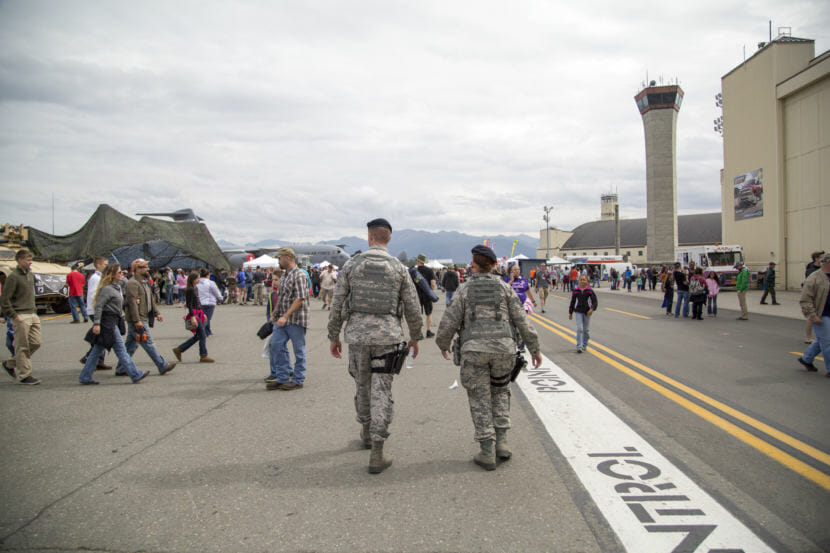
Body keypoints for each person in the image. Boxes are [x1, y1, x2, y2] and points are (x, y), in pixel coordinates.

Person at [328, 218, 423, 474]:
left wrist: (333, 336)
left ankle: (366, 431)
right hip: (388, 338)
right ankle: (378, 450)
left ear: (370, 237)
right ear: (387, 239)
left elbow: (337, 303)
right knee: (381, 388)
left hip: (358, 337)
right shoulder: (399, 268)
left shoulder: (352, 265)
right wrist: (415, 336)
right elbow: (413, 306)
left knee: (362, 384)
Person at [436, 245, 542, 471]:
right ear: (494, 265)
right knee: (501, 391)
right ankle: (502, 443)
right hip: (503, 350)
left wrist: (443, 344)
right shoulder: (505, 289)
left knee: (479, 397)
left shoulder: (464, 290)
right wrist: (534, 349)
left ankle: (487, 451)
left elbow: (449, 321)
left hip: (474, 350)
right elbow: (522, 321)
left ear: (473, 265)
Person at [78, 263, 150, 385]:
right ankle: (134, 374)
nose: (122, 274)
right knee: (120, 350)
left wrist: (128, 302)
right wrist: (96, 323)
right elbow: (99, 306)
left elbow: (117, 302)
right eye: (119, 272)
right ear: (112, 275)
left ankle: (85, 376)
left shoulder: (116, 287)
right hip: (108, 323)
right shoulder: (107, 289)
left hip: (113, 321)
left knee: (97, 351)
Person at [115, 258, 176, 376]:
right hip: (138, 319)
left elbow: (150, 299)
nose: (148, 269)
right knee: (148, 342)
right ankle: (162, 365)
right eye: (144, 267)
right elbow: (132, 303)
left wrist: (156, 313)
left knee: (131, 345)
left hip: (143, 317)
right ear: (136, 269)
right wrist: (137, 320)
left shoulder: (144, 282)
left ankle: (121, 368)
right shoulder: (132, 283)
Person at [266, 248, 309, 390]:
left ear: (288, 258)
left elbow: (300, 298)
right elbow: (282, 297)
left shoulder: (299, 275)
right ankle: (282, 377)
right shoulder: (284, 276)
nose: (278, 261)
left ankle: (298, 380)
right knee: (276, 346)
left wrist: (285, 316)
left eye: (280, 258)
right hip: (281, 319)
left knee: (299, 350)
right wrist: (275, 313)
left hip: (296, 319)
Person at [0, 249, 42, 385]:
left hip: (32, 313)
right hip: (21, 315)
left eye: (31, 260)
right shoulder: (13, 277)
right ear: (19, 260)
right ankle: (25, 375)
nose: (30, 263)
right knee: (22, 346)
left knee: (36, 342)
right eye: (27, 260)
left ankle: (10, 363)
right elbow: (5, 299)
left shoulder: (30, 275)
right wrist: (13, 315)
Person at [797, 252, 830, 377]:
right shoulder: (814, 278)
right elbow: (805, 299)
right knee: (828, 343)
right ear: (828, 263)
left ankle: (806, 359)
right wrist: (812, 315)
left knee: (822, 339)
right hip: (821, 314)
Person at [172, 271, 214, 363]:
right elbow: (189, 305)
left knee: (198, 336)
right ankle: (203, 355)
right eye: (197, 278)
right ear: (193, 279)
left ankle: (179, 349)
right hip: (194, 313)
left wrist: (203, 313)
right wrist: (192, 317)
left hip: (198, 312)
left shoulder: (195, 288)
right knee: (202, 334)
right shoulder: (190, 289)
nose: (199, 280)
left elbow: (198, 302)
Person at [80, 256, 112, 370]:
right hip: (95, 310)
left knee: (101, 335)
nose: (107, 266)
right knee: (102, 334)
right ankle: (90, 356)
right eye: (105, 264)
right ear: (98, 265)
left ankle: (98, 360)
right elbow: (95, 295)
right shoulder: (95, 278)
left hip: (97, 309)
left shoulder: (101, 277)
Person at [569, 274, 598, 353]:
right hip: (578, 311)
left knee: (586, 330)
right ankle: (579, 346)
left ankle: (585, 344)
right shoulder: (576, 291)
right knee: (580, 329)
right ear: (578, 281)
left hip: (587, 312)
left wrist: (592, 309)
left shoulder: (590, 291)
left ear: (587, 281)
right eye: (581, 279)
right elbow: (573, 302)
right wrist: (570, 312)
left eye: (584, 280)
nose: (582, 281)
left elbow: (594, 302)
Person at [414, 254, 437, 337]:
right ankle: (428, 331)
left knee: (417, 315)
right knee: (429, 313)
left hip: (417, 295)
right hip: (427, 295)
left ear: (418, 261)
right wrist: (431, 292)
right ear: (423, 262)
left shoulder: (414, 271)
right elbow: (433, 284)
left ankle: (418, 333)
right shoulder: (429, 270)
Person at [804, 251, 824, 343]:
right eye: (821, 257)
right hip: (814, 295)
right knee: (811, 315)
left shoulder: (821, 268)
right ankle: (808, 337)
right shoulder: (811, 269)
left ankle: (819, 337)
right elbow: (810, 283)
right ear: (817, 258)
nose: (823, 259)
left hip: (821, 295)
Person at [196, 267, 222, 336]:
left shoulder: (196, 283)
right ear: (208, 275)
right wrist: (220, 298)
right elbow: (216, 292)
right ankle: (200, 332)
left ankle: (208, 332)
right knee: (207, 319)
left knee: (204, 317)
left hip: (199, 303)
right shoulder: (211, 283)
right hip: (209, 303)